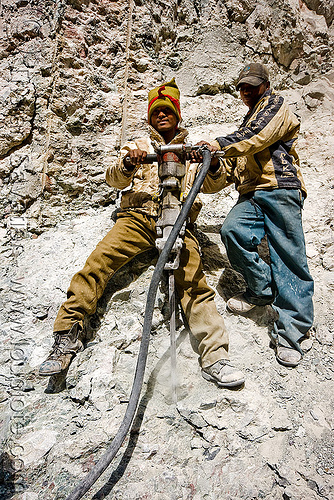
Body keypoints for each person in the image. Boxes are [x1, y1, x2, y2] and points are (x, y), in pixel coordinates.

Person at [39, 78, 245, 388]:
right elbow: (114, 180)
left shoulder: (193, 149)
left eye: (168, 110)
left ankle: (215, 357)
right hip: (137, 218)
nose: (162, 115)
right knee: (96, 265)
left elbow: (216, 183)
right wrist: (128, 163)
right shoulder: (138, 147)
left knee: (194, 283)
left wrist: (210, 161)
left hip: (179, 220)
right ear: (150, 117)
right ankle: (66, 338)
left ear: (177, 115)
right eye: (157, 111)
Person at [200, 63, 314, 367]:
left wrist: (220, 144)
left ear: (265, 85)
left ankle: (291, 332)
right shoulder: (245, 129)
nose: (246, 91)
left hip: (280, 187)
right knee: (233, 231)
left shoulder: (275, 107)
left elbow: (256, 135)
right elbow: (223, 176)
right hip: (251, 194)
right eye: (242, 87)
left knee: (288, 256)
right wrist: (212, 163)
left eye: (252, 85)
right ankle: (261, 290)